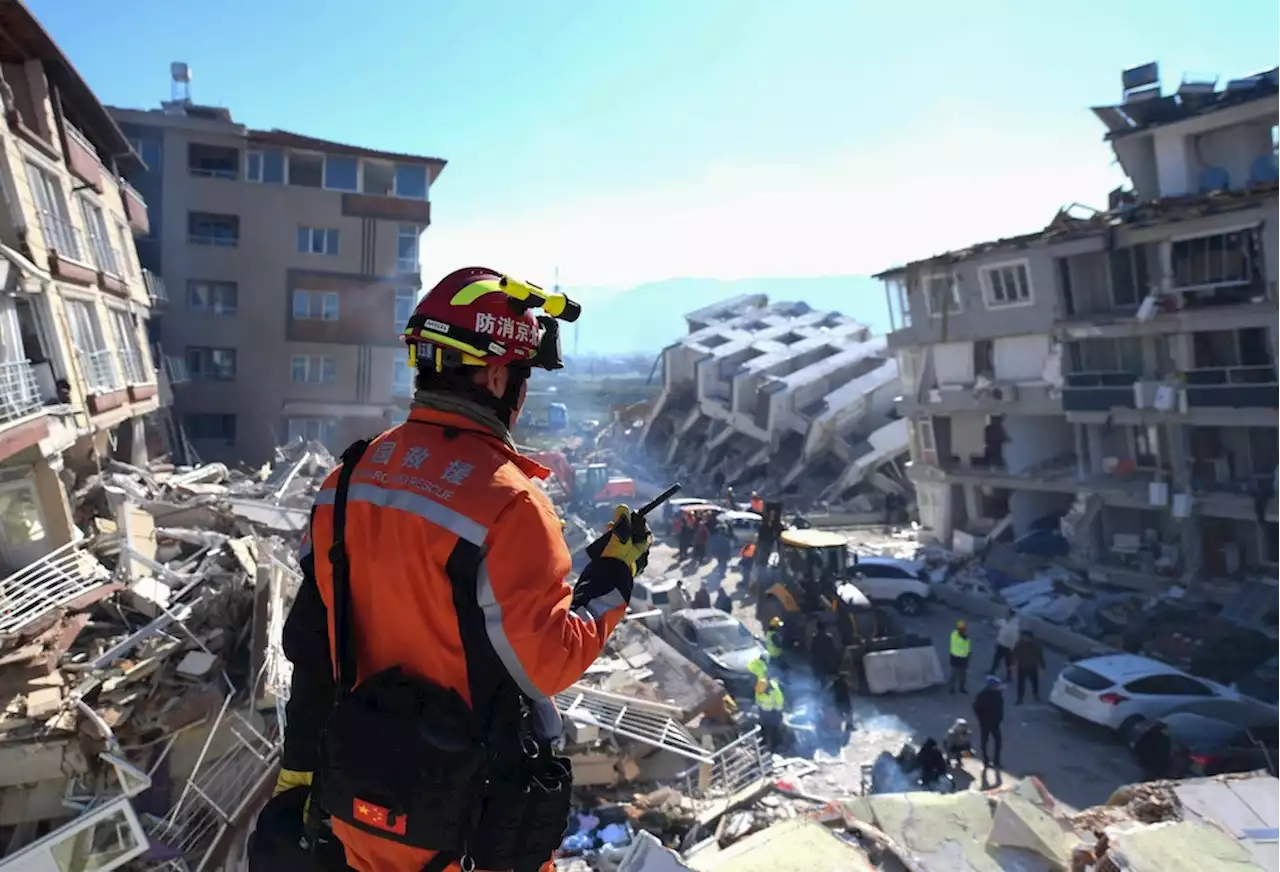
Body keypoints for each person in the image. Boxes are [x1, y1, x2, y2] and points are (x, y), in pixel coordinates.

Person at [261, 268, 653, 872]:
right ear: (497, 374)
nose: (521, 394)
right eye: (522, 375)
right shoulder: (511, 504)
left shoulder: (347, 480)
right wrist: (611, 582)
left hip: (357, 804)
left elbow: (313, 641)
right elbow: (545, 663)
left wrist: (300, 767)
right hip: (461, 826)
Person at [972, 675, 1005, 770]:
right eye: (997, 686)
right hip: (986, 723)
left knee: (998, 741)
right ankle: (985, 760)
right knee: (985, 742)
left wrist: (999, 717)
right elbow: (976, 708)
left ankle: (996, 761)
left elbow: (1000, 707)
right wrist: (982, 719)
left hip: (995, 722)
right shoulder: (982, 696)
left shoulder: (998, 693)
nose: (999, 687)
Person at [1011, 629, 1045, 704]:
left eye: (1024, 637)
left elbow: (1040, 656)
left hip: (1032, 667)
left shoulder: (1036, 646)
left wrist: (1042, 665)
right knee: (1021, 684)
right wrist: (1012, 661)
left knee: (1034, 682)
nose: (1023, 638)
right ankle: (1020, 698)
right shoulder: (1020, 644)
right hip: (1022, 667)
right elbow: (1014, 653)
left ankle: (1035, 694)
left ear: (1030, 638)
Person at [755, 676, 786, 750]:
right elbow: (758, 699)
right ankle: (764, 742)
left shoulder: (775, 691)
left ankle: (776, 744)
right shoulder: (760, 688)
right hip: (763, 711)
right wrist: (759, 708)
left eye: (764, 691)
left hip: (774, 711)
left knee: (775, 728)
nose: (762, 693)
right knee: (763, 727)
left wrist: (777, 712)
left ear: (767, 688)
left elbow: (779, 702)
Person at [991, 608, 1019, 681]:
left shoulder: (1014, 626)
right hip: (1001, 644)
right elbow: (997, 622)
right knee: (997, 659)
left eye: (1007, 613)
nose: (1006, 615)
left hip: (1008, 647)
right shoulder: (1005, 622)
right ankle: (992, 671)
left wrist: (1012, 648)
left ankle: (1009, 677)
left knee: (1007, 662)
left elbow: (1014, 638)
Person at [948, 619, 971, 695]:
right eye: (964, 628)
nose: (966, 629)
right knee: (957, 673)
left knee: (960, 674)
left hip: (958, 657)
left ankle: (958, 687)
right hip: (958, 657)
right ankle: (956, 688)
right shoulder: (960, 637)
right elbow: (964, 642)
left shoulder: (954, 634)